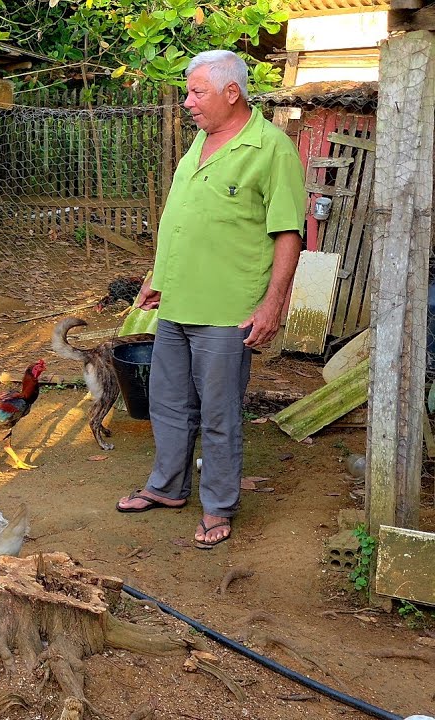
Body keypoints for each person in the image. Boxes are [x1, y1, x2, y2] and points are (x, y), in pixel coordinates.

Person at [115, 50, 304, 550]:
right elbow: (184, 218)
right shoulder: (199, 142)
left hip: (228, 310)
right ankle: (167, 486)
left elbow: (288, 233)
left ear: (231, 92)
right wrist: (159, 276)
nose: (188, 102)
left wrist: (272, 305)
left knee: (219, 413)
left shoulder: (271, 149)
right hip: (178, 301)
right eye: (188, 92)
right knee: (168, 403)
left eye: (197, 92)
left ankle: (218, 505)